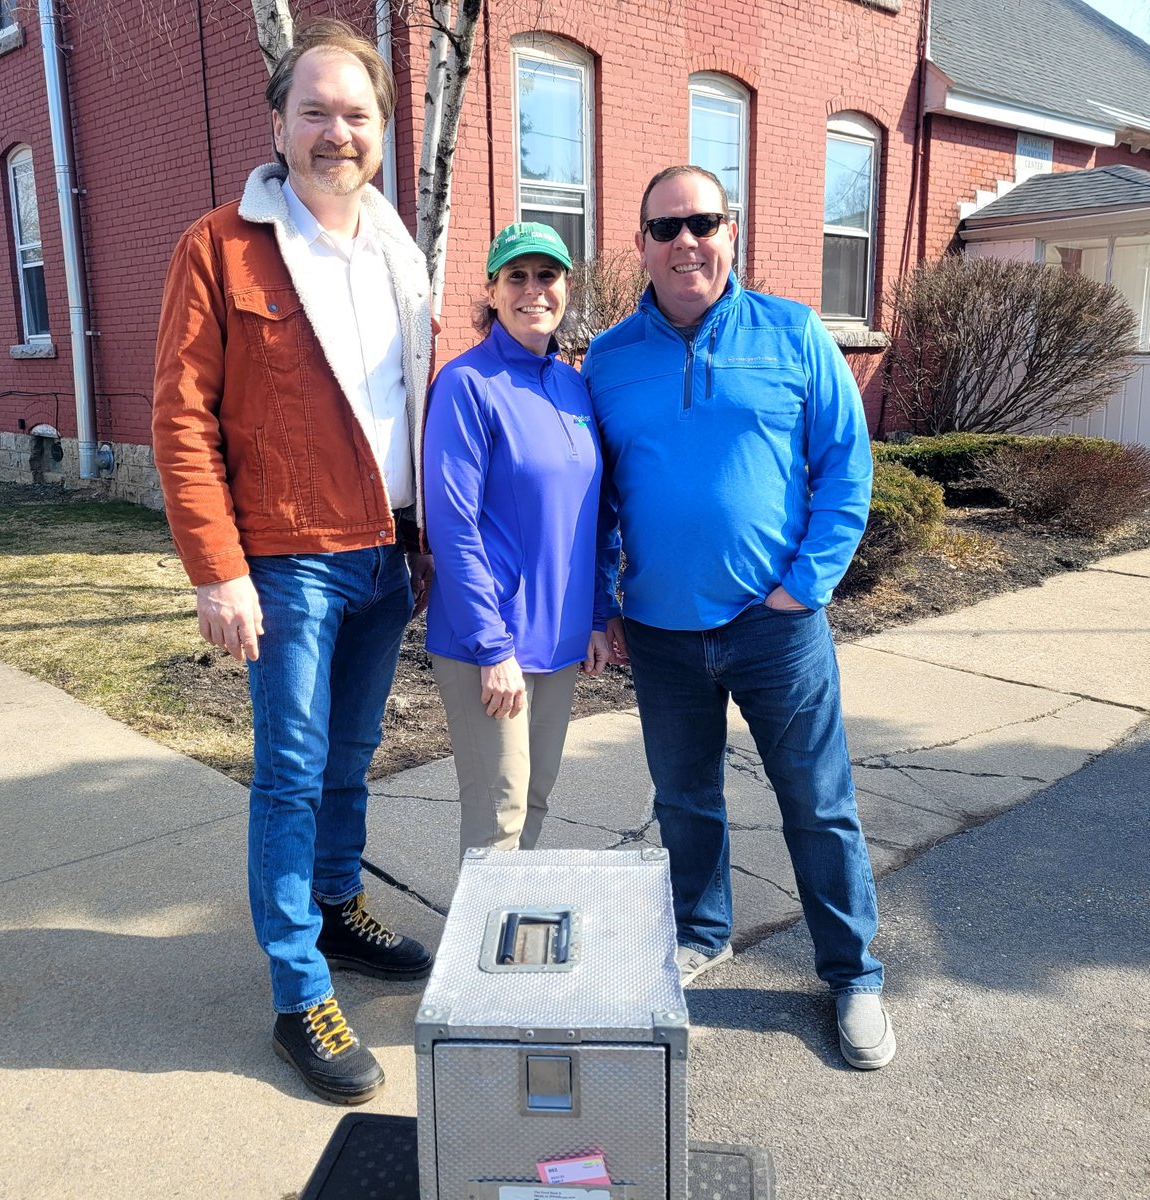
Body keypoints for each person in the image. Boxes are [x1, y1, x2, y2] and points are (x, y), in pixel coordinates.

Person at [151, 19, 437, 1105]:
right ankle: (296, 988)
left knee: (350, 759)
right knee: (289, 772)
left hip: (384, 558)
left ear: (379, 132)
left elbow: (415, 408)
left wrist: (427, 547)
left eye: (356, 114)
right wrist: (215, 570)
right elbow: (181, 416)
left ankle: (334, 907)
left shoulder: (397, 248)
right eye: (314, 110)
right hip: (287, 562)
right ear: (277, 123)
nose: (336, 132)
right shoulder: (220, 246)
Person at [582, 165, 895, 1071]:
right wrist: (606, 600)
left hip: (777, 630)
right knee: (685, 799)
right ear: (639, 242)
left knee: (819, 805)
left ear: (732, 231)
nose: (686, 241)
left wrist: (806, 585)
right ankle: (700, 929)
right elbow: (597, 501)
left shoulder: (793, 333)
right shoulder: (608, 359)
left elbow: (846, 467)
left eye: (703, 222)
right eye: (666, 226)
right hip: (661, 632)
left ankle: (854, 973)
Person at [423, 223, 620, 856]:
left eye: (547, 276)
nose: (533, 290)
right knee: (497, 818)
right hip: (491, 640)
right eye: (517, 277)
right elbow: (451, 527)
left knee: (534, 801)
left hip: (559, 640)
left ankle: (510, 942)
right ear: (492, 290)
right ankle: (477, 955)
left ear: (566, 287)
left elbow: (596, 513)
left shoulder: (573, 385)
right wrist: (491, 648)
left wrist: (596, 616)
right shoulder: (465, 385)